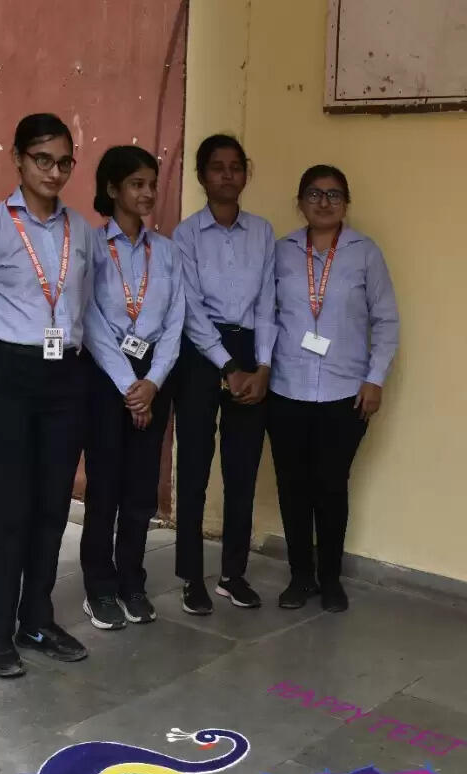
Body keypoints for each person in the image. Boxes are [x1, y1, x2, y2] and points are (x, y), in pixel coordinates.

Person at [0, 113, 97, 678]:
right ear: (17, 158)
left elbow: (86, 307)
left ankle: (36, 620)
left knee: (53, 506)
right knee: (11, 509)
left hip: (67, 380)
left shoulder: (81, 231)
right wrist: (9, 370)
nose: (53, 172)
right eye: (42, 159)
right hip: (7, 378)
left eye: (64, 162)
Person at [266, 165, 399, 613]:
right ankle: (300, 577)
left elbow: (386, 320)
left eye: (334, 194)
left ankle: (330, 579)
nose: (324, 203)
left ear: (346, 202)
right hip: (286, 390)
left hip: (345, 393)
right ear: (299, 201)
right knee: (292, 488)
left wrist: (375, 378)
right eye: (314, 194)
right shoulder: (281, 251)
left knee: (330, 486)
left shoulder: (365, 253)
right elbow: (265, 315)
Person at [80, 145, 186, 630]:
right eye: (136, 184)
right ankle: (98, 587)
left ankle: (131, 582)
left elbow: (175, 321)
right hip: (106, 377)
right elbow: (90, 319)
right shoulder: (90, 246)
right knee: (105, 485)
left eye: (151, 184)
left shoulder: (166, 251)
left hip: (153, 376)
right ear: (112, 189)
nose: (147, 193)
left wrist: (153, 383)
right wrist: (129, 386)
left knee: (141, 488)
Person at [172, 134, 276, 615]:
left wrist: (262, 366)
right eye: (218, 167)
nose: (228, 175)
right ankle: (191, 576)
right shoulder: (186, 235)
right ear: (202, 175)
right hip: (199, 354)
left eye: (236, 166)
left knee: (242, 468)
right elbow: (190, 308)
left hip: (250, 352)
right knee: (194, 467)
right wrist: (226, 366)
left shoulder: (263, 232)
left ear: (245, 174)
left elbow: (269, 303)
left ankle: (233, 574)